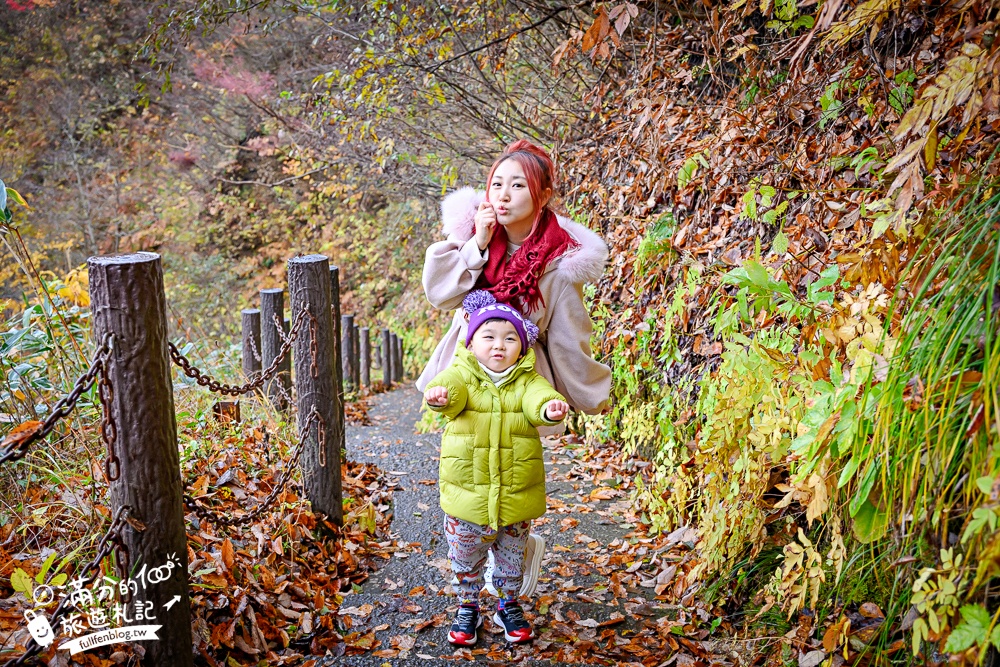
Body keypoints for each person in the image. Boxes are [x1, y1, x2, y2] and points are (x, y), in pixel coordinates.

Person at [417, 139, 612, 598]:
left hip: (520, 383)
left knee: (514, 473)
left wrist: (586, 396)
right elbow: (440, 293)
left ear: (542, 196)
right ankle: (473, 567)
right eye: (497, 184)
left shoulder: (560, 264)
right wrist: (478, 245)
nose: (503, 195)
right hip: (466, 377)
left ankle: (513, 555)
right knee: (466, 469)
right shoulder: (472, 237)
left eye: (518, 186)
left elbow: (567, 337)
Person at [424, 290, 570, 646]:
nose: (499, 345)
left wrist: (551, 406)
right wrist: (439, 393)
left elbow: (538, 398)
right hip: (468, 493)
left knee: (510, 555)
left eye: (509, 339)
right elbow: (451, 388)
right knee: (465, 553)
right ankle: (468, 606)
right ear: (472, 343)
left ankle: (508, 604)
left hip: (515, 493)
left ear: (522, 349)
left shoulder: (527, 380)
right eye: (488, 337)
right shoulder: (462, 373)